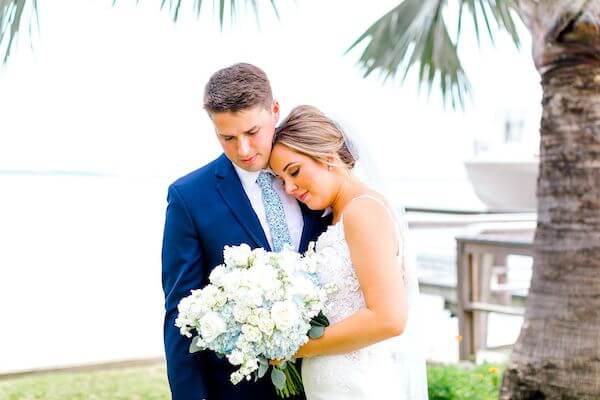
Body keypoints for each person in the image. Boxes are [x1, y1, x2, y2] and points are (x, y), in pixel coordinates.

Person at [161, 64, 330, 400]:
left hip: (326, 382)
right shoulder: (189, 197)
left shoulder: (316, 178)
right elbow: (180, 315)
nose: (244, 149)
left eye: (253, 131)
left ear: (275, 111)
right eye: (227, 137)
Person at [269, 105, 429, 399]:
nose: (289, 188)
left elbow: (389, 318)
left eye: (294, 172)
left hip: (360, 386)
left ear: (328, 156)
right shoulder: (339, 215)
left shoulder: (363, 211)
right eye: (281, 180)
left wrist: (294, 346)